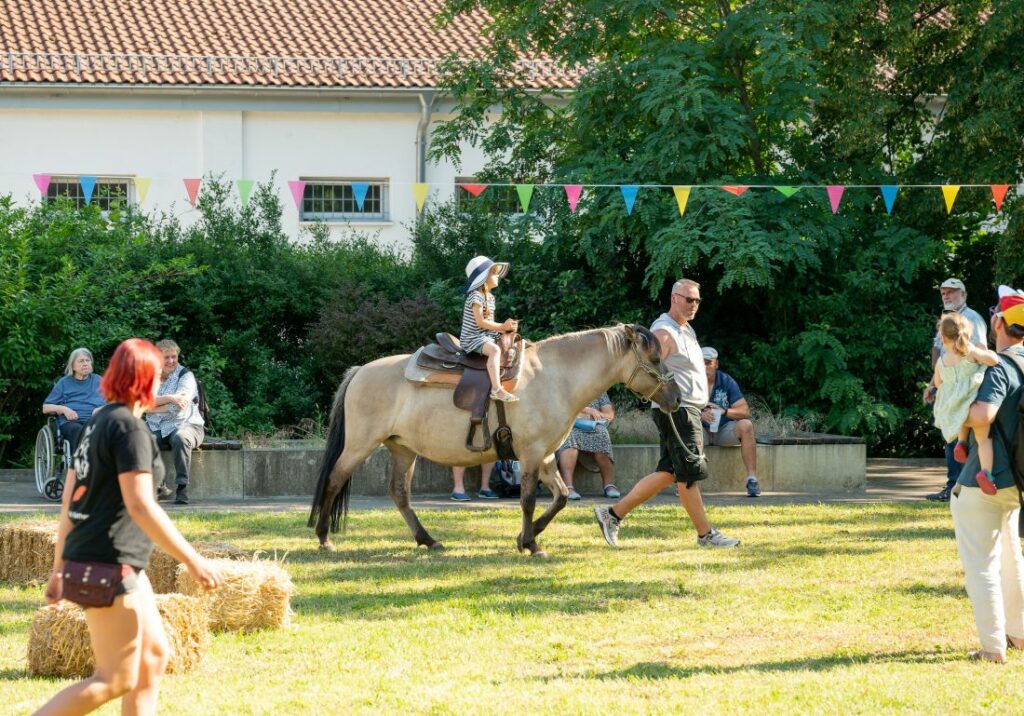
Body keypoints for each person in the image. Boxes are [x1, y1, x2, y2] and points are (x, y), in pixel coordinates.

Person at [34, 338, 222, 716]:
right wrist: (193, 561)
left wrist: (58, 569)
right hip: (108, 564)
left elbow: (70, 501)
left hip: (102, 560)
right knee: (114, 679)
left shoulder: (98, 423)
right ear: (147, 380)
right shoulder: (130, 429)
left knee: (152, 657)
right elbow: (141, 506)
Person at [594, 279, 740, 548]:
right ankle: (706, 535)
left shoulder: (685, 329)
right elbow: (643, 368)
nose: (694, 305)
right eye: (689, 299)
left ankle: (612, 514)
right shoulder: (663, 332)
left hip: (687, 409)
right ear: (674, 298)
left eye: (697, 300)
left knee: (669, 472)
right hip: (677, 411)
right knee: (689, 473)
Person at [949, 286, 1024, 664]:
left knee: (982, 564)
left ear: (998, 322)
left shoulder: (1001, 365)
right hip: (1018, 482)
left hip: (986, 480)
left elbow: (983, 415)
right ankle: (1020, 634)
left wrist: (952, 412)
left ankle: (993, 647)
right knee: (1011, 557)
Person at [923, 278, 988, 502]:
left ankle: (958, 488)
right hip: (949, 386)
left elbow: (980, 352)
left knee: (961, 440)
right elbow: (940, 353)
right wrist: (933, 384)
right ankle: (956, 487)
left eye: (951, 292)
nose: (946, 296)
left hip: (966, 390)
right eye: (943, 292)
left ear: (964, 294)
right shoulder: (948, 319)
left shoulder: (972, 318)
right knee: (953, 438)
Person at [931, 313, 1000, 494]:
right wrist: (989, 353)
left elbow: (938, 383)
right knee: (984, 440)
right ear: (968, 333)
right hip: (972, 402)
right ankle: (986, 473)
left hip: (954, 408)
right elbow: (994, 360)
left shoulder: (941, 361)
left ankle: (961, 443)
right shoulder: (971, 352)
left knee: (961, 411)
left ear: (942, 337)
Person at [145, 339, 204, 505]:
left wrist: (152, 406)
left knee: (180, 438)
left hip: (187, 424)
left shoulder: (186, 376)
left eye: (174, 356)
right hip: (156, 426)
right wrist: (171, 397)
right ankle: (159, 485)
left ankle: (182, 487)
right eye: (166, 357)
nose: (171, 361)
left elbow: (178, 408)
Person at [700, 346, 762, 497]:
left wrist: (725, 411)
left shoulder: (726, 381)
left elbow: (745, 411)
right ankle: (685, 481)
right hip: (700, 431)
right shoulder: (691, 381)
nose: (704, 367)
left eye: (708, 363)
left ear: (716, 364)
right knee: (685, 427)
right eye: (701, 362)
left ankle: (752, 480)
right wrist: (699, 415)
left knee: (746, 425)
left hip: (723, 430)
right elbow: (679, 410)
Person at [460, 255, 519, 403]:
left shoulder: (490, 298)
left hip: (485, 335)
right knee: (495, 350)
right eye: (494, 272)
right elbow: (481, 322)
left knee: (509, 341)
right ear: (483, 277)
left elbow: (490, 324)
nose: (497, 275)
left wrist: (505, 329)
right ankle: (496, 389)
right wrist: (502, 326)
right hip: (472, 337)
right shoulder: (475, 296)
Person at [42, 347, 106, 452]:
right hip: (71, 423)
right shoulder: (64, 383)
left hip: (95, 421)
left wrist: (101, 409)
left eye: (87, 360)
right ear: (73, 366)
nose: (85, 364)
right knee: (78, 431)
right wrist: (64, 409)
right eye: (81, 361)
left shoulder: (99, 380)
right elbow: (45, 408)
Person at [557, 392, 619, 500]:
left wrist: (594, 416)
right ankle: (568, 487)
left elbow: (609, 414)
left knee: (602, 433)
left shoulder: (599, 389)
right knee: (570, 435)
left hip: (592, 425)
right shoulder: (565, 385)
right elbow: (560, 407)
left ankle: (608, 485)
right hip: (569, 424)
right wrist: (587, 410)